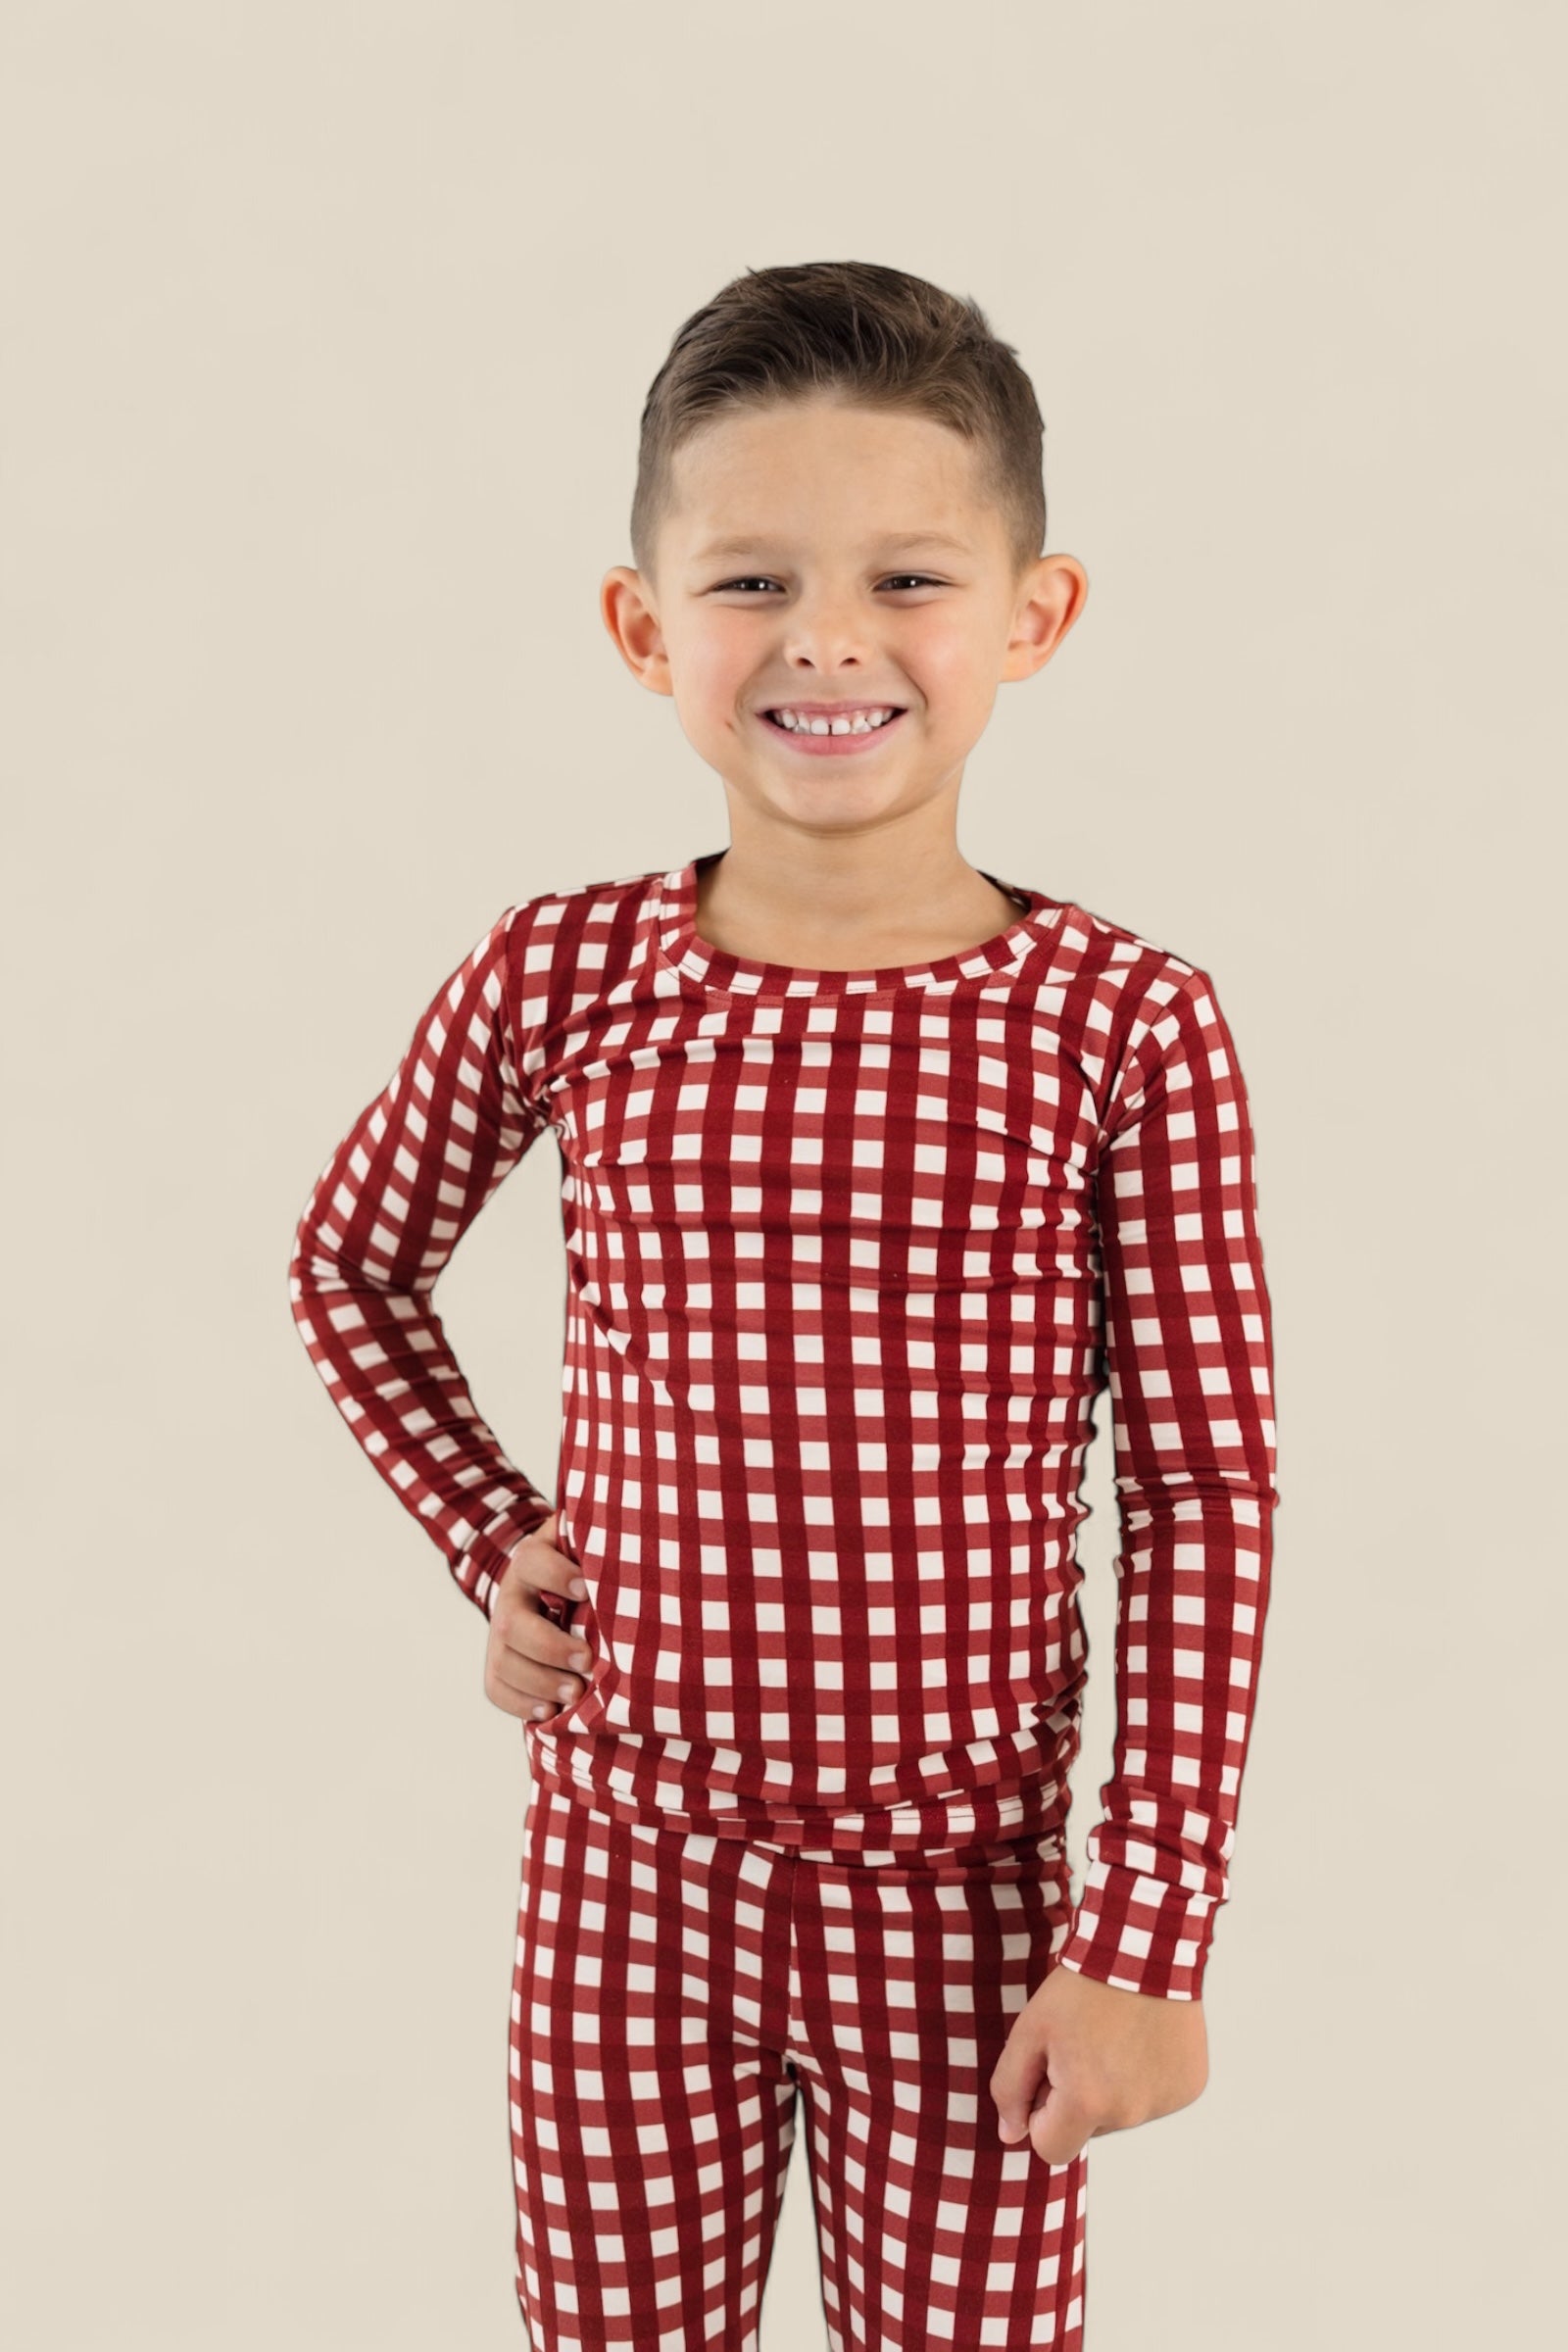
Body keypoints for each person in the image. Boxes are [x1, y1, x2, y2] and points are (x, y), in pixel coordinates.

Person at [288, 258, 1279, 2352]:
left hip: (970, 1907)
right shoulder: (565, 974)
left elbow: (1203, 1488)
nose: (827, 636)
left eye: (906, 576)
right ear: (645, 628)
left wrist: (1148, 1937)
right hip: (626, 1880)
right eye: (751, 582)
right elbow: (352, 1263)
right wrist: (493, 1535)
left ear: (1031, 615)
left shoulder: (1121, 1026)